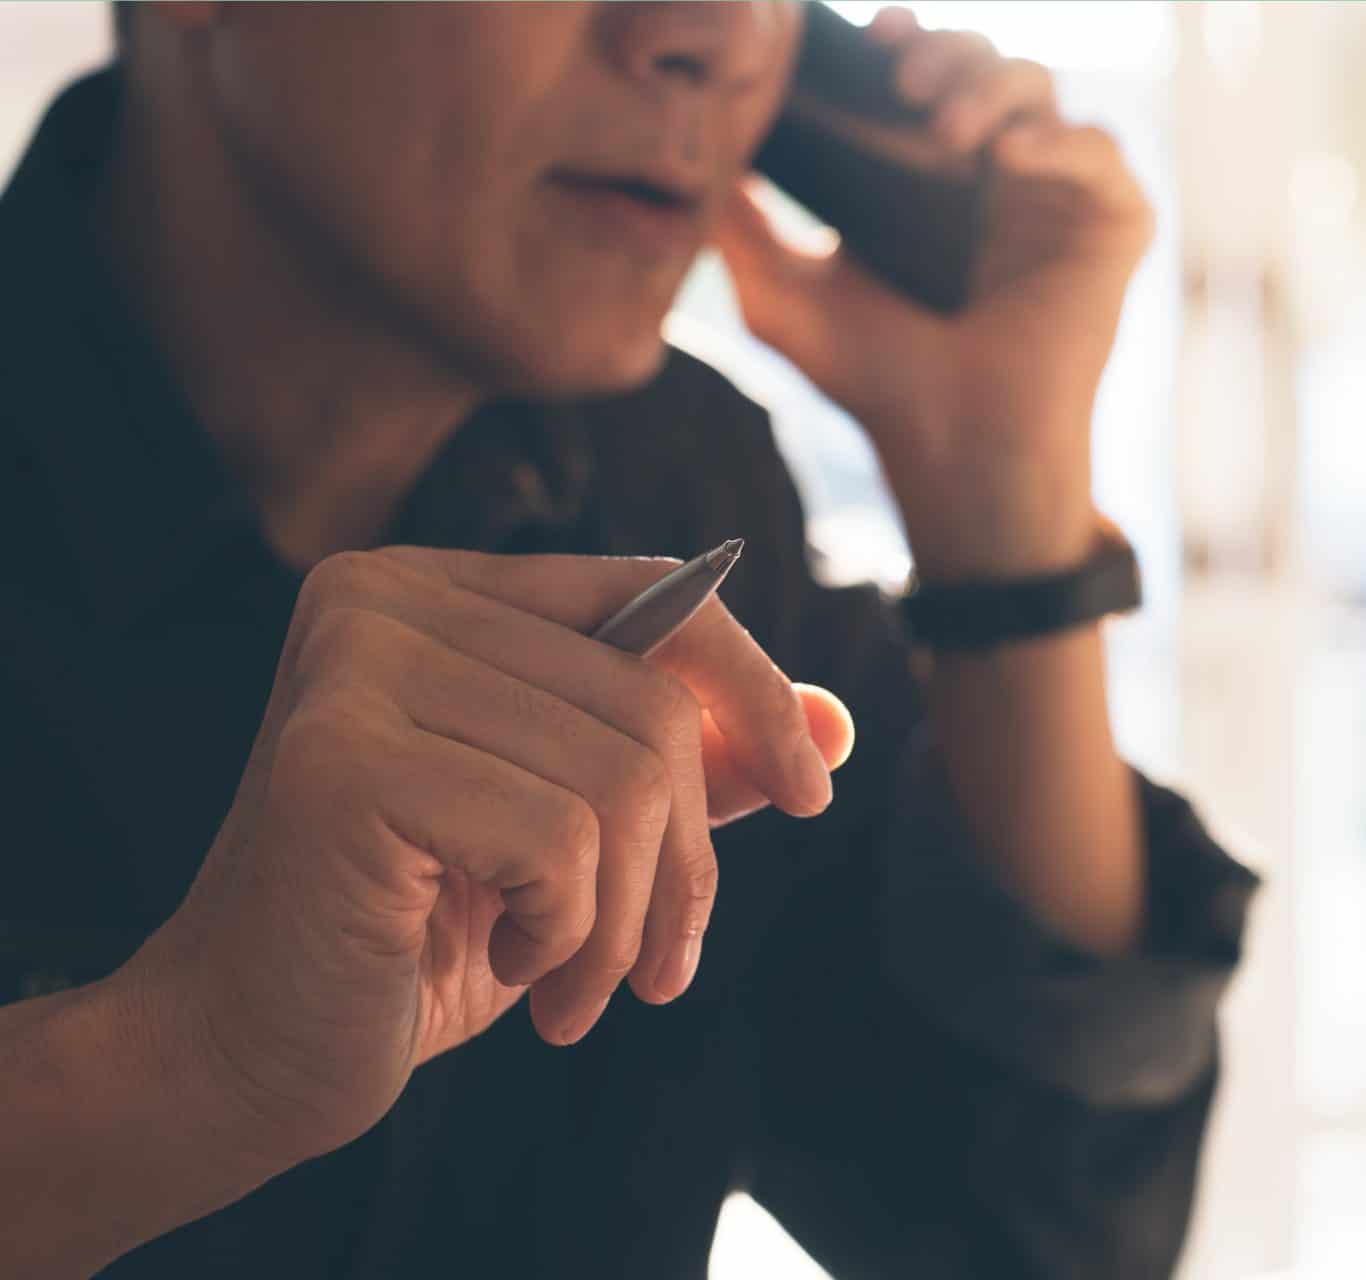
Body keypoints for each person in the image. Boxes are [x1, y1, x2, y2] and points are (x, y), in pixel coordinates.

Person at [0, 3, 1256, 1277]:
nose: (708, 33)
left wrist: (1004, 501)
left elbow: (1045, 1241)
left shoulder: (682, 494)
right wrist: (183, 1065)